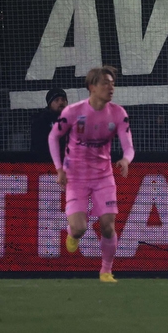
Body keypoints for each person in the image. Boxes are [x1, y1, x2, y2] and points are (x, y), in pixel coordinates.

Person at [49, 66, 134, 283]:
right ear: (92, 87)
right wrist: (59, 168)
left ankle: (106, 271)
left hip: (103, 176)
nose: (111, 87)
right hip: (75, 177)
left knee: (108, 225)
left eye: (112, 83)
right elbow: (53, 137)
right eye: (105, 83)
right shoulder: (73, 112)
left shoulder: (118, 113)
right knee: (79, 229)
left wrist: (125, 159)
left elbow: (129, 147)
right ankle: (72, 233)